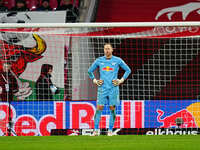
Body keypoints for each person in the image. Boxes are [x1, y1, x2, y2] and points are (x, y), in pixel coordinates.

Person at [88, 43, 131, 136]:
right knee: (99, 108)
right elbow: (89, 71)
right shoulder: (99, 60)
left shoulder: (117, 60)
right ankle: (95, 130)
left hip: (113, 88)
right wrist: (95, 80)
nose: (107, 50)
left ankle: (110, 130)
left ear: (112, 50)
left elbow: (128, 70)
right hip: (102, 88)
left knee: (112, 109)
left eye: (108, 48)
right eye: (105, 49)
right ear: (104, 50)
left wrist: (121, 80)